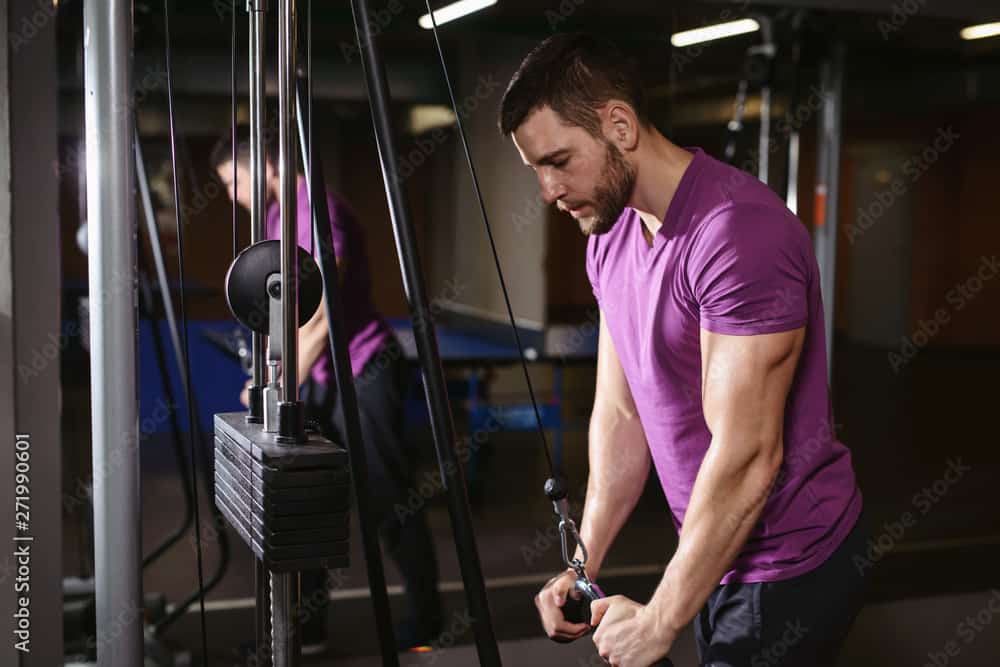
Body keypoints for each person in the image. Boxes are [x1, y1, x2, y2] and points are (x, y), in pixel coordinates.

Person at [499, 35, 868, 667]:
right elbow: (622, 413)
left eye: (559, 160)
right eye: (536, 168)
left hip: (787, 563)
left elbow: (750, 454)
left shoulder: (736, 233)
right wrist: (584, 563)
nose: (548, 189)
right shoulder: (608, 239)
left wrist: (662, 618)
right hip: (715, 548)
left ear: (619, 124)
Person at [210, 128, 443, 652]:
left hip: (361, 370)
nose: (231, 195)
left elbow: (319, 315)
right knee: (305, 498)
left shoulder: (316, 208)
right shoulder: (274, 218)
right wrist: (270, 375)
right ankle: (306, 630)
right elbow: (284, 315)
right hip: (316, 376)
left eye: (233, 181)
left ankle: (430, 621)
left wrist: (276, 384)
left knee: (388, 499)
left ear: (265, 164)